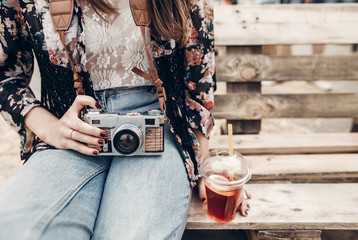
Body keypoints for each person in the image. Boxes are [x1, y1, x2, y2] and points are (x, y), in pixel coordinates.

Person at [0, 0, 250, 239]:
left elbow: (198, 79)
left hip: (158, 129)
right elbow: (5, 75)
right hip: (71, 131)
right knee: (21, 227)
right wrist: (51, 127)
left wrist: (204, 165)